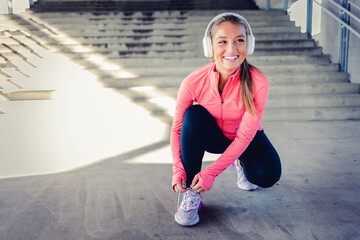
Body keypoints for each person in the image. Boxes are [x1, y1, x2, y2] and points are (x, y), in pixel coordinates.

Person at [171, 12, 282, 226]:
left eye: (239, 41)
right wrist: (178, 168)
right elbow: (177, 129)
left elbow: (244, 138)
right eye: (222, 42)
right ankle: (192, 195)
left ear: (248, 45)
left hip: (245, 140)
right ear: (209, 47)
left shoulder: (258, 83)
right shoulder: (193, 81)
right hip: (212, 136)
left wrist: (211, 173)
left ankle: (239, 163)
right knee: (192, 115)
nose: (231, 50)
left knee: (267, 176)